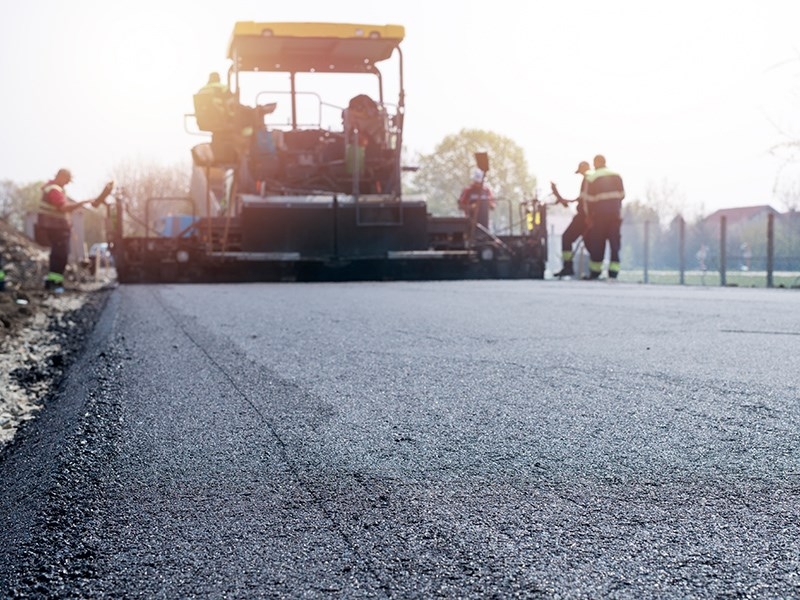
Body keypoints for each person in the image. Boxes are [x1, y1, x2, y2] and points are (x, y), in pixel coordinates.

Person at [38, 169, 113, 292]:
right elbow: (64, 207)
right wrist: (84, 202)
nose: (67, 183)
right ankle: (55, 284)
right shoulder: (54, 190)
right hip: (55, 228)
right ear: (61, 177)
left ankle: (54, 282)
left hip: (56, 228)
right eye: (66, 180)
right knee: (60, 255)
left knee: (58, 254)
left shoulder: (52, 188)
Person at [582, 154, 625, 279]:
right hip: (615, 215)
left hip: (599, 216)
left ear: (595, 163)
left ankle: (595, 271)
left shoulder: (592, 177)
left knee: (597, 243)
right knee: (614, 243)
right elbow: (622, 195)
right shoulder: (617, 175)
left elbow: (588, 200)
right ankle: (613, 271)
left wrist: (588, 216)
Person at [550, 160, 591, 278]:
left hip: (583, 216)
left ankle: (568, 266)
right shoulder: (590, 180)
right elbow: (583, 198)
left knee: (567, 238)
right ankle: (594, 272)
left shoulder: (588, 179)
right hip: (588, 216)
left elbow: (584, 200)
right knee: (589, 243)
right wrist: (570, 200)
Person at [458, 168, 496, 235]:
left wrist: (489, 205)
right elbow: (461, 205)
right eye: (477, 183)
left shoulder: (487, 190)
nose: (478, 185)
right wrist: (471, 207)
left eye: (479, 183)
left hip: (485, 223)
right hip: (471, 222)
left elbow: (492, 205)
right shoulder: (468, 190)